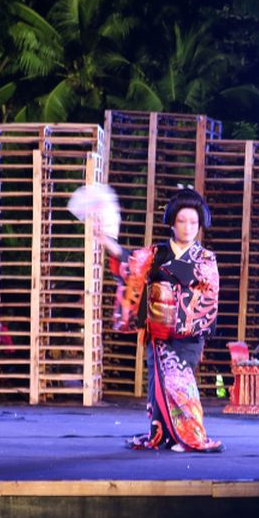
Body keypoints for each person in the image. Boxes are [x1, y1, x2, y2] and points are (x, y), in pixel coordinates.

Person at [97, 187, 223, 452]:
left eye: (193, 222)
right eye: (182, 221)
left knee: (180, 384)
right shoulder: (155, 254)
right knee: (158, 386)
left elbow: (205, 288)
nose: (188, 227)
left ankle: (190, 436)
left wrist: (166, 276)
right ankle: (165, 435)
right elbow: (129, 264)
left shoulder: (205, 259)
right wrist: (105, 240)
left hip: (186, 332)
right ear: (172, 223)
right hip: (157, 331)